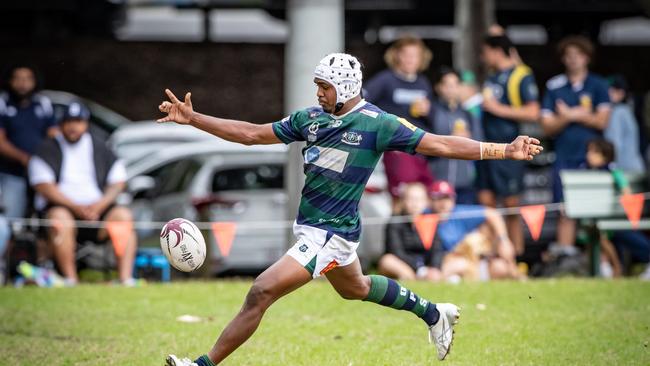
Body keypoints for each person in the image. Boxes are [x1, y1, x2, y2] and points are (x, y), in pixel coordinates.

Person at [157, 52, 542, 366]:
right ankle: (433, 313)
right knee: (356, 288)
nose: (319, 93)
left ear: (343, 88)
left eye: (324, 87)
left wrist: (503, 149)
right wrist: (194, 119)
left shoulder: (379, 124)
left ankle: (201, 365)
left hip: (331, 232)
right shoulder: (308, 119)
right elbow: (250, 134)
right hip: (313, 228)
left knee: (261, 291)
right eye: (318, 86)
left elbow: (439, 144)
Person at [27, 102, 137, 286]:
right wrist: (76, 208)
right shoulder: (46, 149)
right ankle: (71, 280)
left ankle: (125, 279)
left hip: (97, 213)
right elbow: (44, 185)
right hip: (64, 210)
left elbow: (118, 183)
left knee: (123, 216)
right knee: (59, 218)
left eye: (78, 121)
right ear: (60, 124)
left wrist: (99, 206)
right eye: (68, 121)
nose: (73, 126)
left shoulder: (101, 147)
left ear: (86, 124)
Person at [540, 35, 611, 254]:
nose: (573, 60)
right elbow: (547, 126)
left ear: (586, 58)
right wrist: (572, 115)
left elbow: (602, 120)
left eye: (578, 55)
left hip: (593, 157)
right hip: (564, 156)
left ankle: (599, 261)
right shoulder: (555, 86)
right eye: (568, 55)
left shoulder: (598, 85)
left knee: (594, 211)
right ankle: (566, 258)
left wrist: (569, 114)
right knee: (564, 209)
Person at [478, 35, 541, 255]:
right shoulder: (492, 77)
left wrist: (496, 109)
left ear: (497, 51)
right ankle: (493, 257)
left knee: (511, 204)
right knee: (486, 203)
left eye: (485, 51)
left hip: (509, 148)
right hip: (485, 148)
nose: (482, 57)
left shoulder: (521, 76)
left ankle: (517, 256)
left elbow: (533, 112)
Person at [364, 36, 435, 209]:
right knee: (404, 197)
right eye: (406, 54)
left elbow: (432, 118)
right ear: (396, 56)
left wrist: (428, 111)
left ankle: (418, 235)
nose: (410, 59)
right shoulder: (385, 79)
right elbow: (362, 101)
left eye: (415, 55)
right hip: (397, 148)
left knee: (425, 196)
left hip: (420, 149)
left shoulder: (423, 83)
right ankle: (397, 234)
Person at [583, 139, 650, 279]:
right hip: (598, 216)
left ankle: (615, 267)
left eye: (594, 152)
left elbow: (623, 184)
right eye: (588, 151)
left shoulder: (610, 169)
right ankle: (607, 266)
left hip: (614, 216)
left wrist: (627, 197)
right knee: (595, 235)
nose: (589, 155)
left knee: (605, 236)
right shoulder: (586, 169)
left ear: (605, 156)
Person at [429, 181, 520, 282]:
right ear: (431, 200)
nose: (443, 203)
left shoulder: (460, 212)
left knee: (500, 267)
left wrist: (503, 240)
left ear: (453, 199)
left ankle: (518, 277)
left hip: (472, 261)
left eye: (446, 198)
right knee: (458, 264)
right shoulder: (423, 217)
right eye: (438, 198)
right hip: (443, 264)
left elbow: (492, 214)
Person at [0, 64, 58, 219]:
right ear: (9, 81)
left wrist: (43, 160)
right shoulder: (3, 104)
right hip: (12, 173)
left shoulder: (43, 104)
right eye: (18, 79)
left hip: (42, 173)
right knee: (10, 218)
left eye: (27, 79)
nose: (22, 84)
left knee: (44, 219)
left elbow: (54, 135)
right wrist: (24, 159)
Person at [429, 67, 482, 204]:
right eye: (447, 85)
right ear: (438, 87)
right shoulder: (431, 111)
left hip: (464, 182)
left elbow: (480, 143)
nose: (451, 89)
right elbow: (422, 142)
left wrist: (468, 138)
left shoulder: (468, 114)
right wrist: (450, 138)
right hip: (438, 180)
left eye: (455, 85)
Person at [377, 183, 441, 281]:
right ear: (403, 201)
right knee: (387, 260)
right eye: (411, 199)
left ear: (426, 202)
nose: (415, 204)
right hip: (403, 264)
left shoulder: (429, 221)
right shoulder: (394, 221)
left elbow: (437, 250)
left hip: (425, 266)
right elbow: (396, 251)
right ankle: (413, 278)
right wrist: (419, 269)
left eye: (419, 199)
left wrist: (434, 267)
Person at [604, 75, 645, 173]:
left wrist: (610, 166)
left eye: (611, 90)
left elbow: (614, 144)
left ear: (621, 93)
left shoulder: (618, 112)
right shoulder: (626, 110)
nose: (605, 92)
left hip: (625, 171)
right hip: (633, 168)